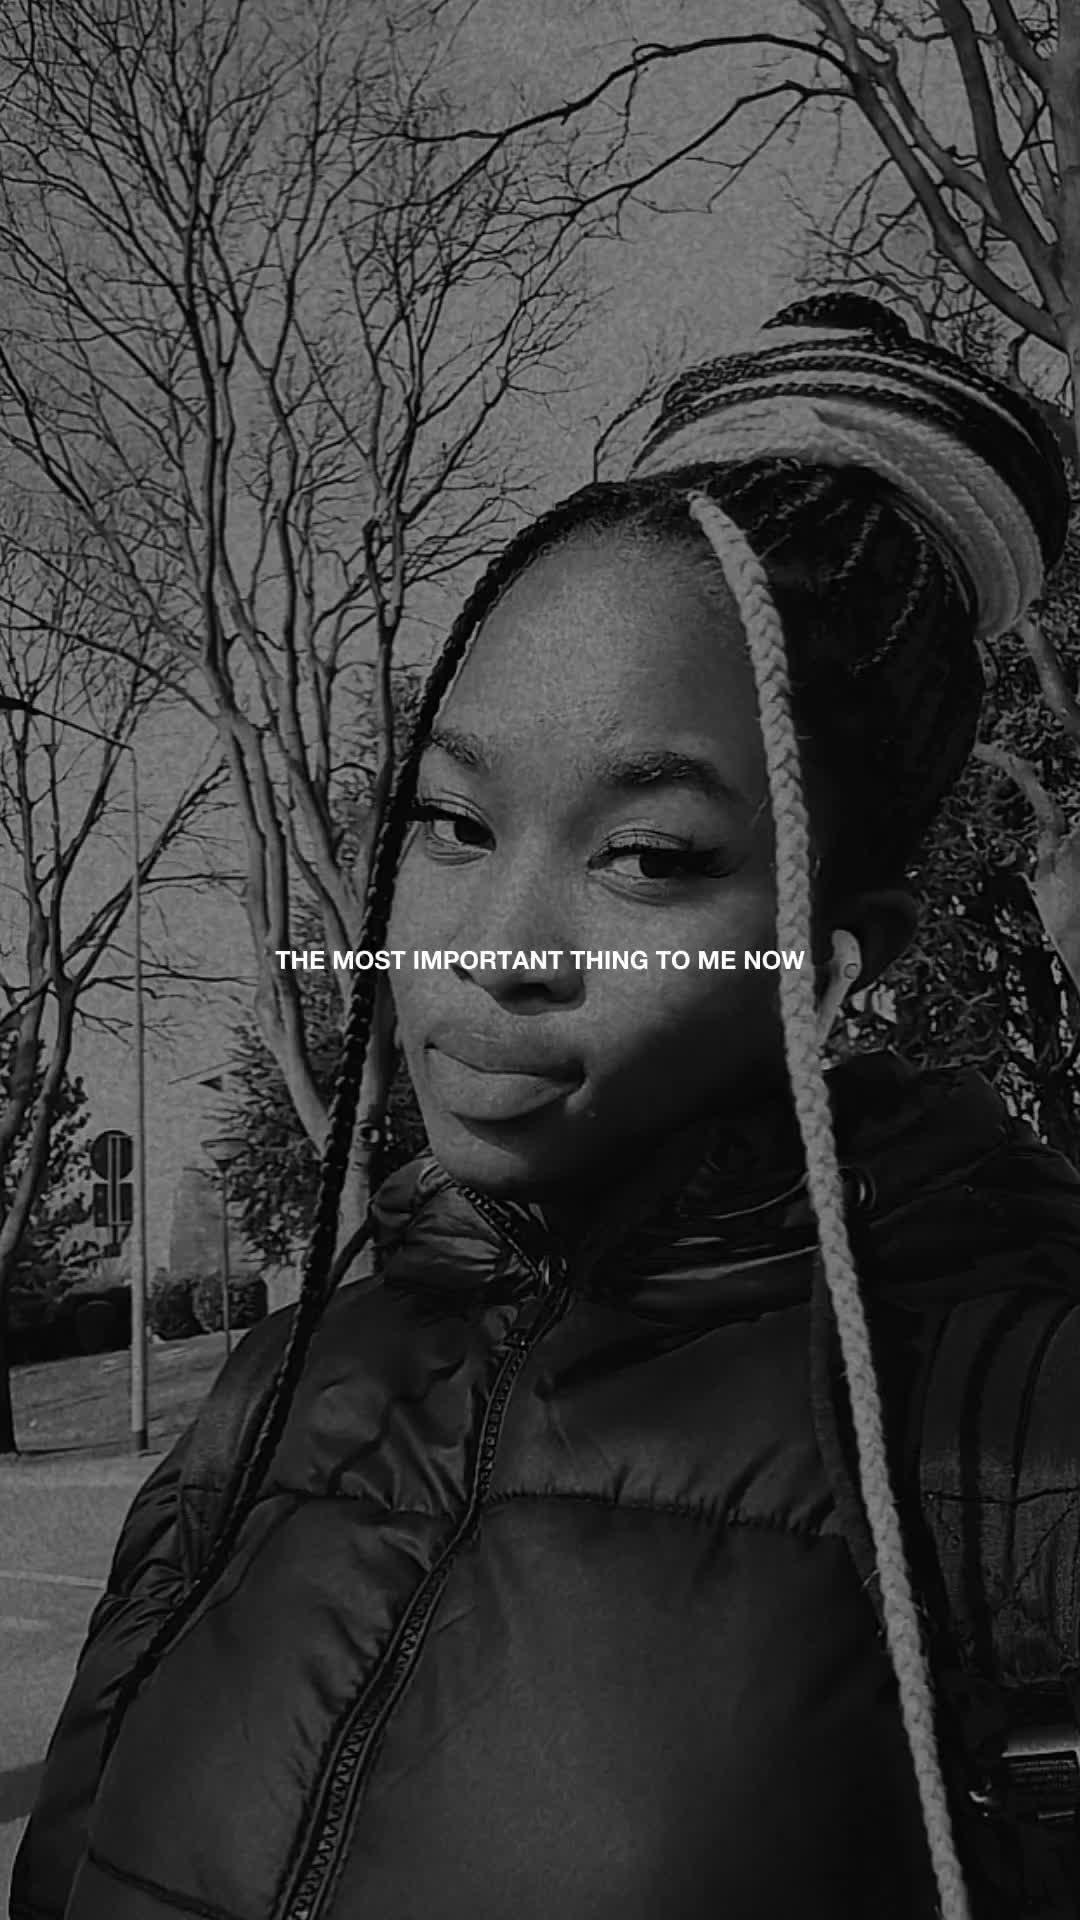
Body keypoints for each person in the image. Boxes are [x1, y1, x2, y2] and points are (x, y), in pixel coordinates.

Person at [12, 294, 1080, 1920]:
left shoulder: (1019, 1433)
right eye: (453, 821)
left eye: (646, 855)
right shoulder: (282, 1390)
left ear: (833, 958)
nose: (493, 945)